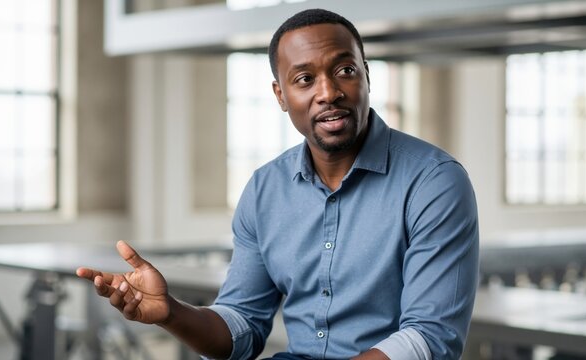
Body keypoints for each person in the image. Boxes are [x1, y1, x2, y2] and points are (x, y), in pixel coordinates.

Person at [76, 8, 479, 360]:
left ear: (366, 76)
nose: (329, 92)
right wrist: (171, 313)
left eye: (345, 70)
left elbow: (428, 339)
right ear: (280, 95)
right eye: (304, 79)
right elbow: (242, 325)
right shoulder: (265, 189)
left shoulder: (434, 181)